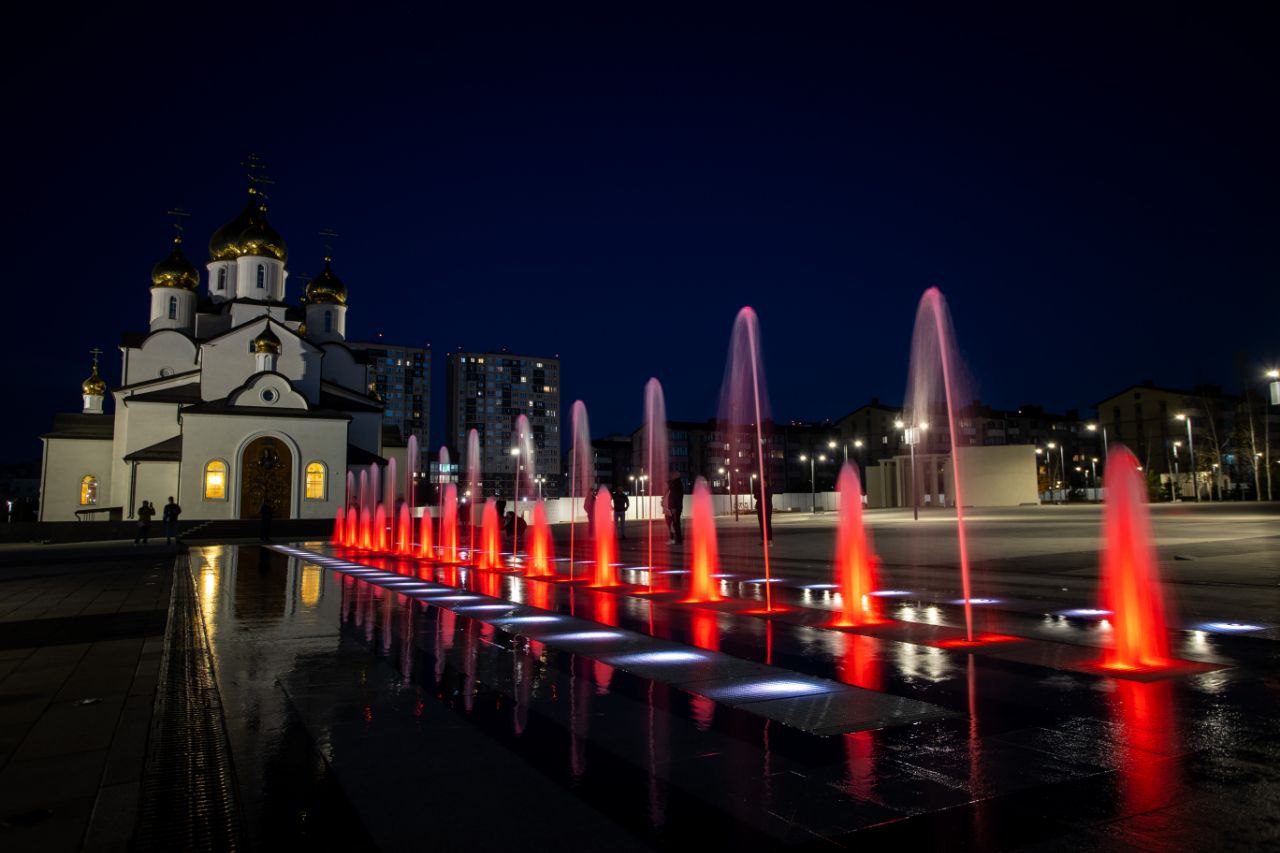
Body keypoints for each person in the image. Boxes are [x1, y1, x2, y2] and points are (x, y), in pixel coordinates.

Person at [663, 472, 684, 544]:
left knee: (675, 524)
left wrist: (673, 508)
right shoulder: (676, 484)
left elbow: (675, 497)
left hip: (674, 508)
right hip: (672, 508)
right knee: (673, 524)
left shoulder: (676, 484)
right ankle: (675, 539)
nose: (672, 475)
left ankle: (676, 539)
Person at [754, 479, 774, 546]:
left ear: (767, 483)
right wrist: (759, 491)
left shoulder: (769, 489)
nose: (763, 483)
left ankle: (770, 541)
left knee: (767, 524)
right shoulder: (759, 489)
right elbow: (755, 496)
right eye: (761, 482)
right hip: (760, 509)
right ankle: (764, 541)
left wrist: (760, 492)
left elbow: (767, 497)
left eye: (764, 482)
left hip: (767, 508)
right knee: (762, 525)